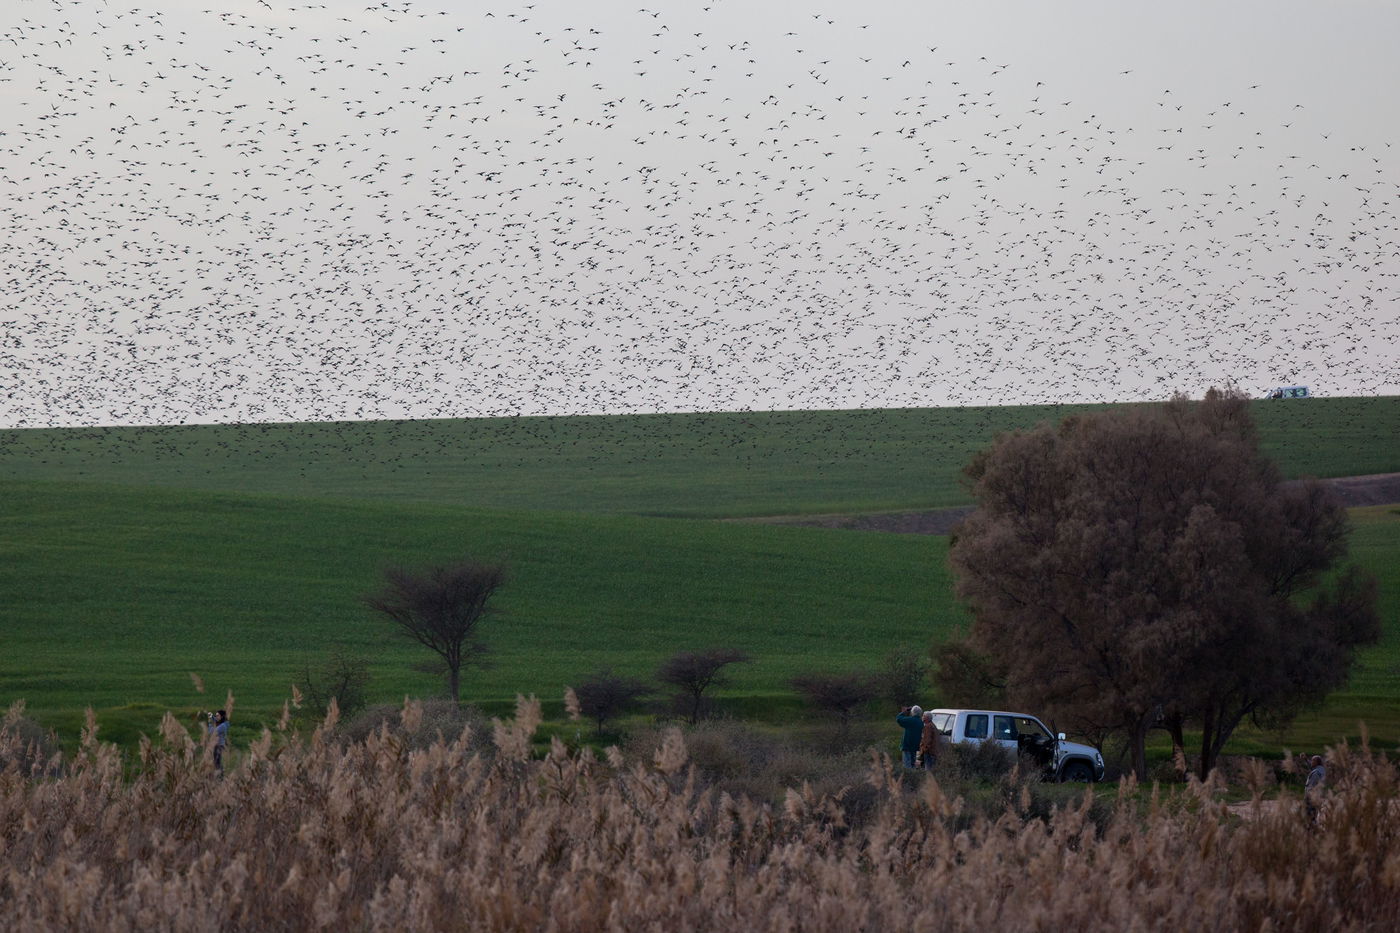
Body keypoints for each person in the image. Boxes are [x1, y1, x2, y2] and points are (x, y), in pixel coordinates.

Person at [896, 705, 924, 769]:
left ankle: (908, 775)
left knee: (907, 764)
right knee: (913, 764)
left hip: (907, 745)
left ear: (912, 712)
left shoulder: (910, 720)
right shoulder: (921, 722)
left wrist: (904, 712)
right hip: (916, 746)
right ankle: (913, 774)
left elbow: (898, 718)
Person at [1304, 754, 1326, 821]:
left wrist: (1307, 795)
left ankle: (1311, 826)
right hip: (1318, 795)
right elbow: (1312, 768)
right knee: (1314, 813)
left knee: (1309, 814)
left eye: (1312, 760)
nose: (1311, 762)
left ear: (1316, 762)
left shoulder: (1316, 773)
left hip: (1312, 796)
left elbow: (1311, 786)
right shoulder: (1321, 769)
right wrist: (1306, 759)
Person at [208, 710, 229, 776]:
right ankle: (219, 775)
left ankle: (220, 776)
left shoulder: (222, 726)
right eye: (215, 715)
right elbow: (216, 719)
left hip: (219, 746)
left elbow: (211, 732)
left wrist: (210, 723)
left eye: (217, 715)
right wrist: (211, 716)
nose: (216, 717)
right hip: (217, 745)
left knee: (217, 761)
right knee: (216, 761)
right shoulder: (223, 723)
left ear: (222, 716)